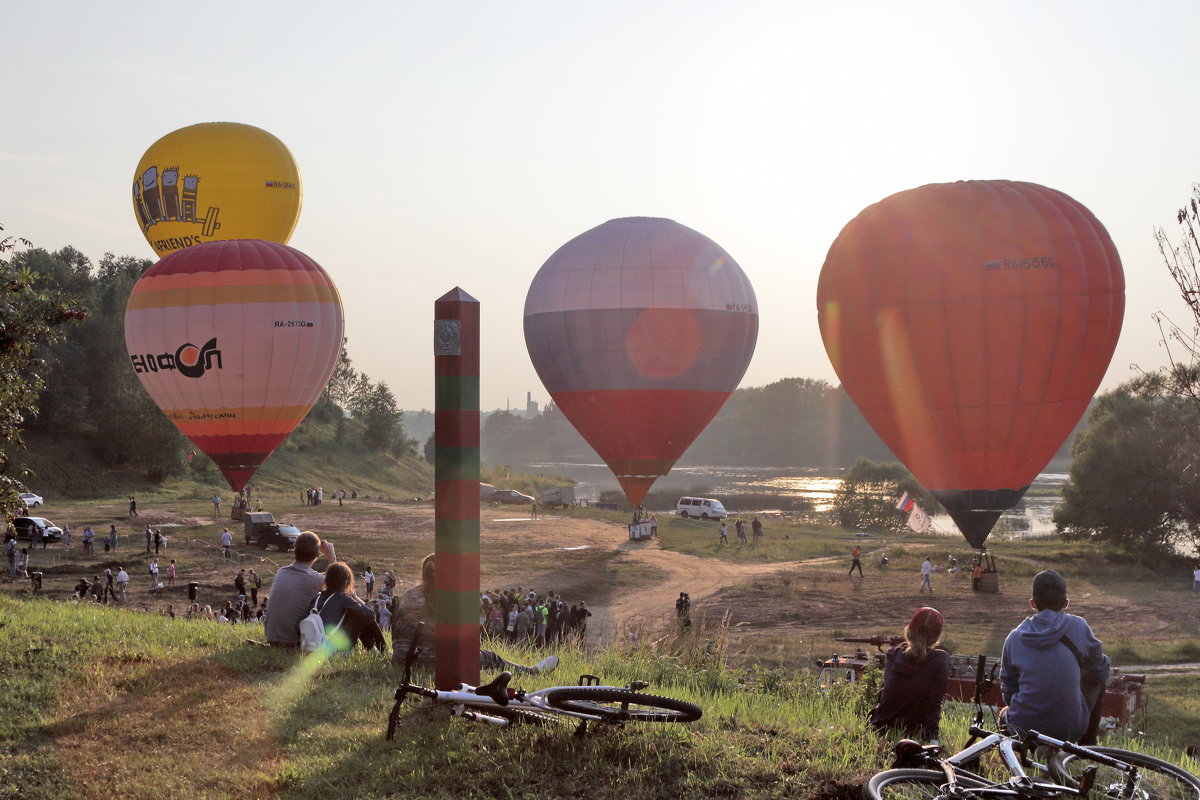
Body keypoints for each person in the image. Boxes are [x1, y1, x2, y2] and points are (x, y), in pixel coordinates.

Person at [391, 553, 558, 675]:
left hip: (402, 659)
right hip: (438, 662)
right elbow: (470, 635)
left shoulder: (407, 595)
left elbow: (395, 629)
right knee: (491, 657)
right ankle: (531, 672)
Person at [1000, 570, 1110, 744]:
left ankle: (1021, 757)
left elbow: (1009, 687)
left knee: (1004, 714)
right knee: (1098, 679)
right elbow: (1101, 668)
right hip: (1069, 729)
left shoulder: (1014, 637)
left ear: (1032, 603)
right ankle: (1087, 747)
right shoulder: (1079, 626)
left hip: (1024, 727)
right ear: (1066, 603)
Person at [868, 607, 950, 743]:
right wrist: (933, 739)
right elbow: (933, 704)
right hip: (911, 733)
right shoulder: (940, 660)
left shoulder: (892, 654)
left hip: (879, 728)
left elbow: (886, 694)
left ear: (909, 631)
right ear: (935, 638)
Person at [264, 530, 337, 647]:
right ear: (317, 555)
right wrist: (332, 557)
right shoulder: (314, 578)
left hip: (272, 637)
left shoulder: (281, 572)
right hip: (293, 642)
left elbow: (315, 578)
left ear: (295, 550)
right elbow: (335, 587)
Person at [312, 564, 388, 652]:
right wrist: (355, 597)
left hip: (314, 645)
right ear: (346, 581)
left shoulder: (316, 599)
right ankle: (383, 651)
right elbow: (371, 615)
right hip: (333, 649)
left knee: (359, 614)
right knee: (361, 617)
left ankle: (375, 652)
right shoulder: (342, 598)